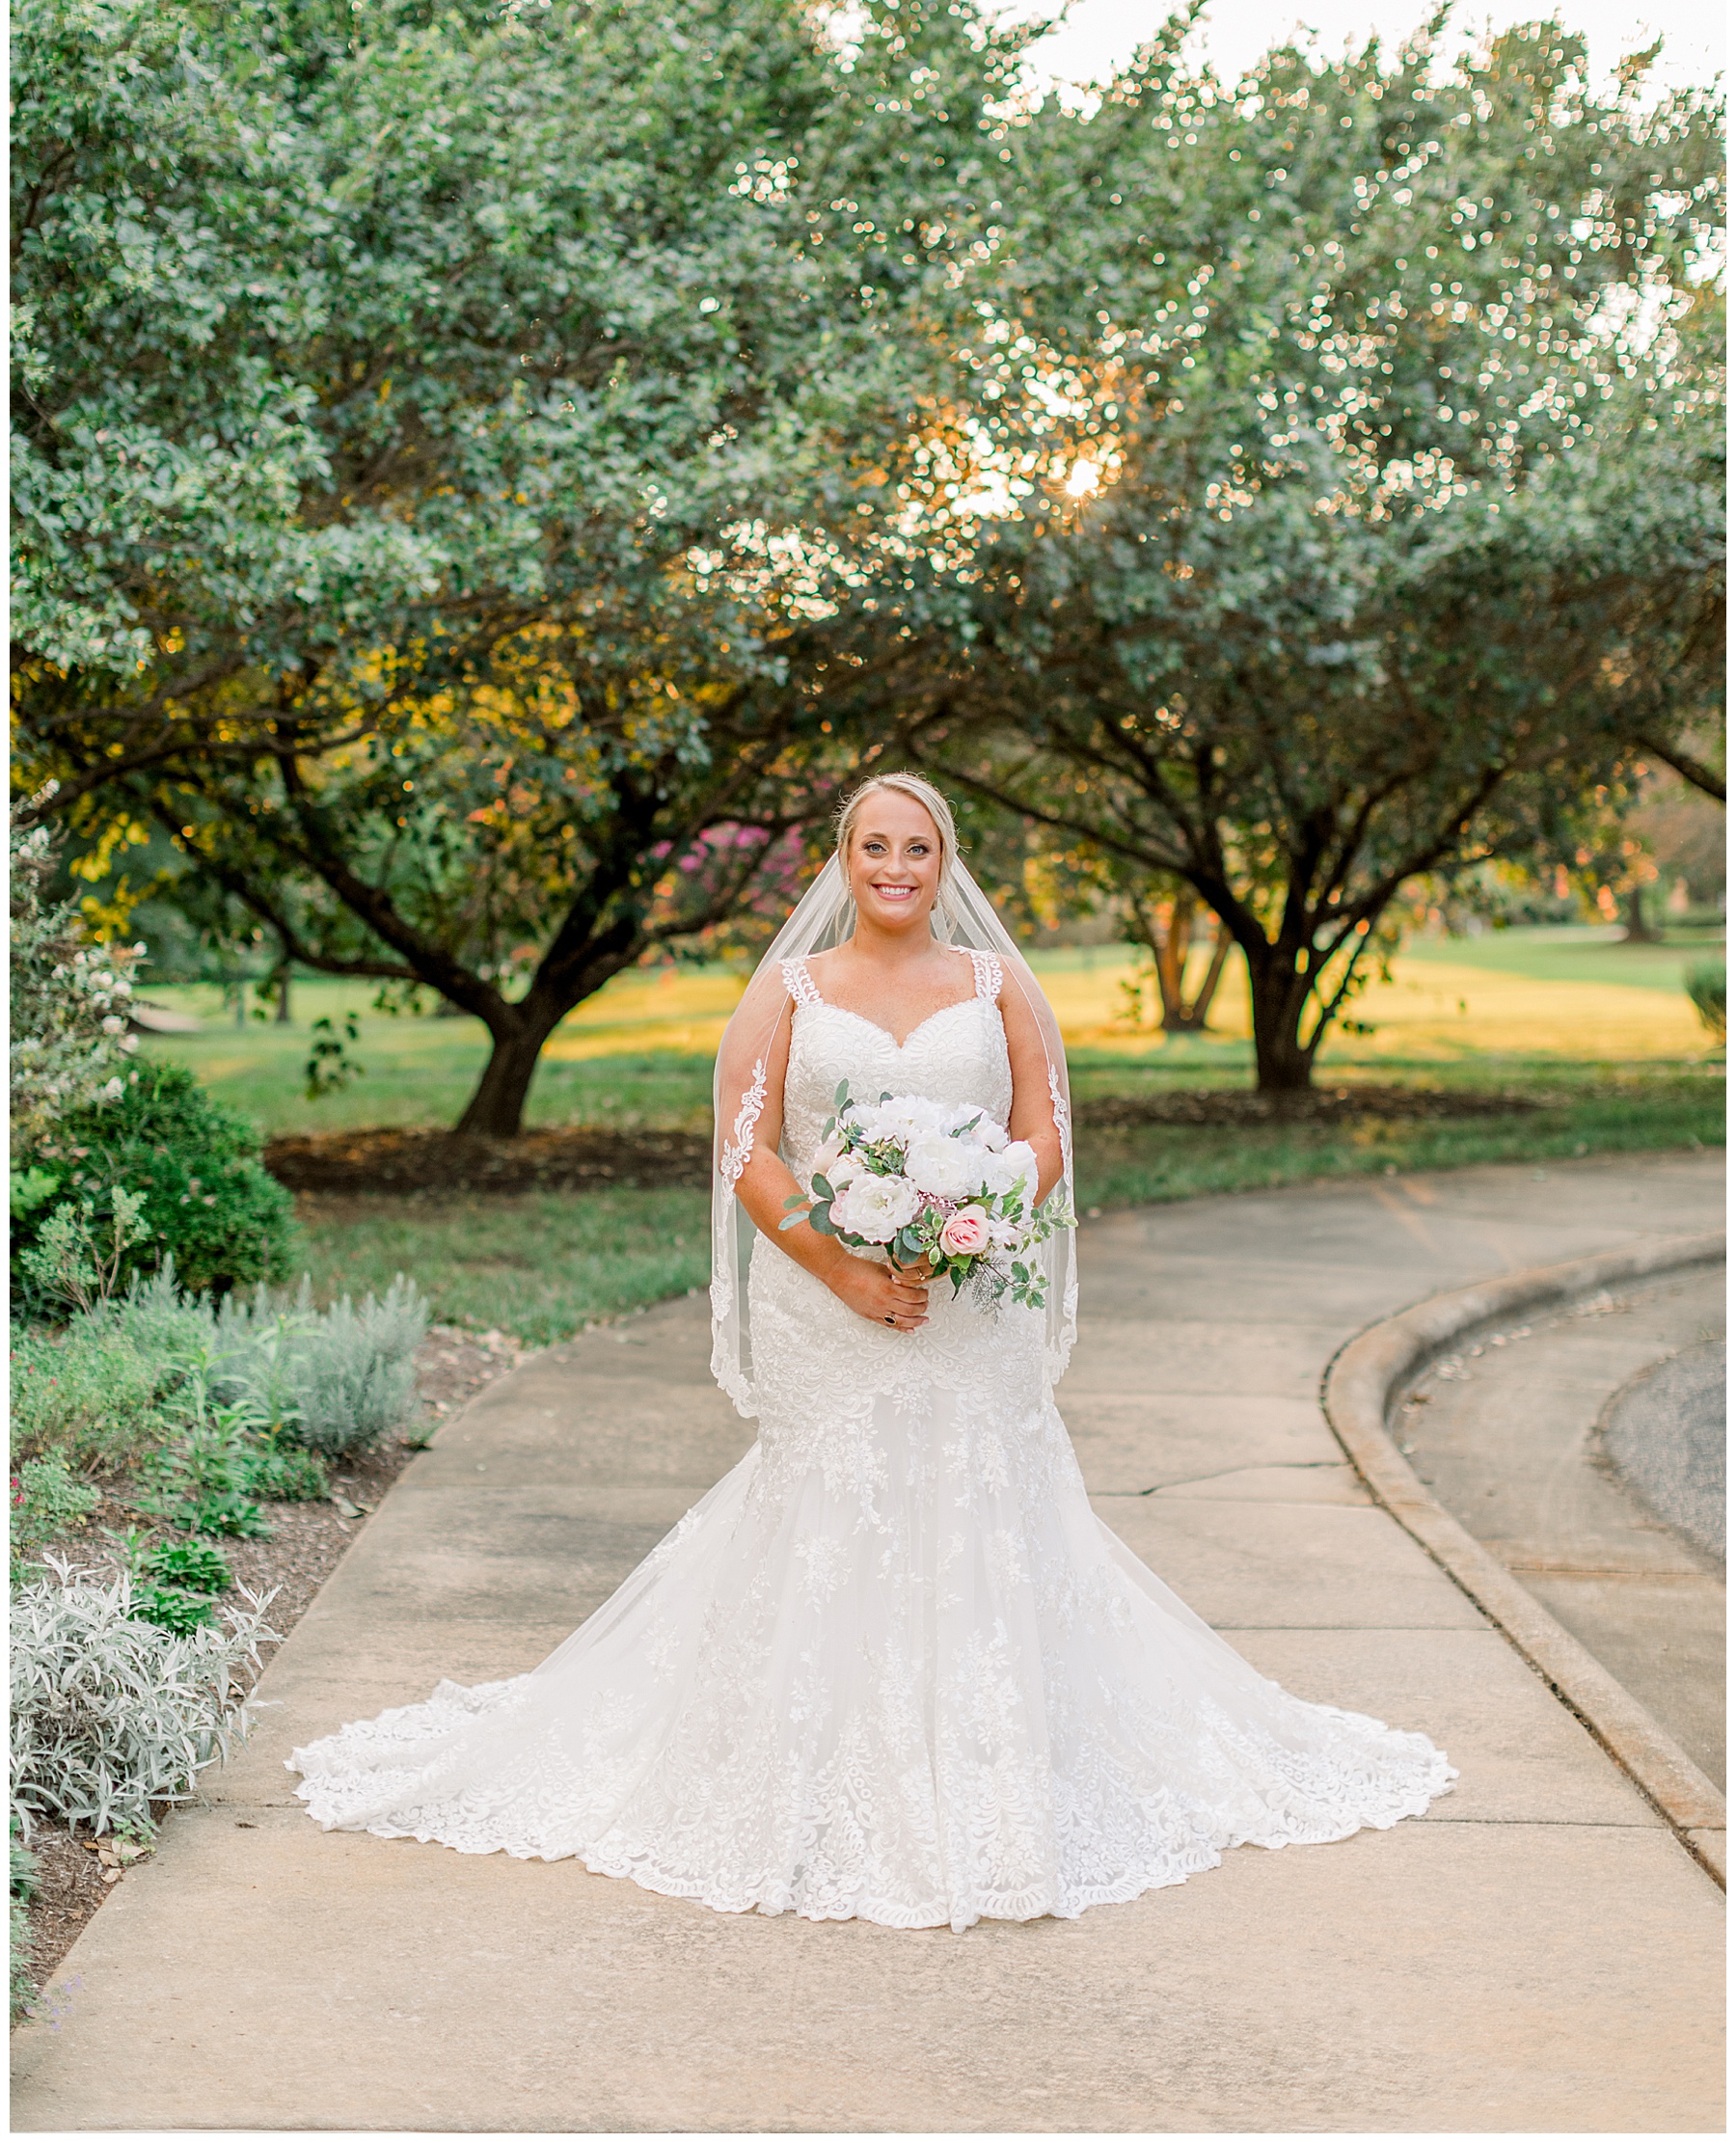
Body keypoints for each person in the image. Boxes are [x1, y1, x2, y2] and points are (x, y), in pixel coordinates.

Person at [289, 772, 1452, 1930]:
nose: (896, 867)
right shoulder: (789, 991)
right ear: (842, 859)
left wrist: (975, 1219)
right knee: (836, 1498)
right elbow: (748, 1152)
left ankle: (1000, 1780)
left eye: (919, 847)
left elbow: (1046, 1134)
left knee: (980, 1488)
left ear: (948, 862)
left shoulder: (1001, 987)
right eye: (874, 846)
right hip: (824, 1302)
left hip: (970, 1299)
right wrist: (846, 1266)